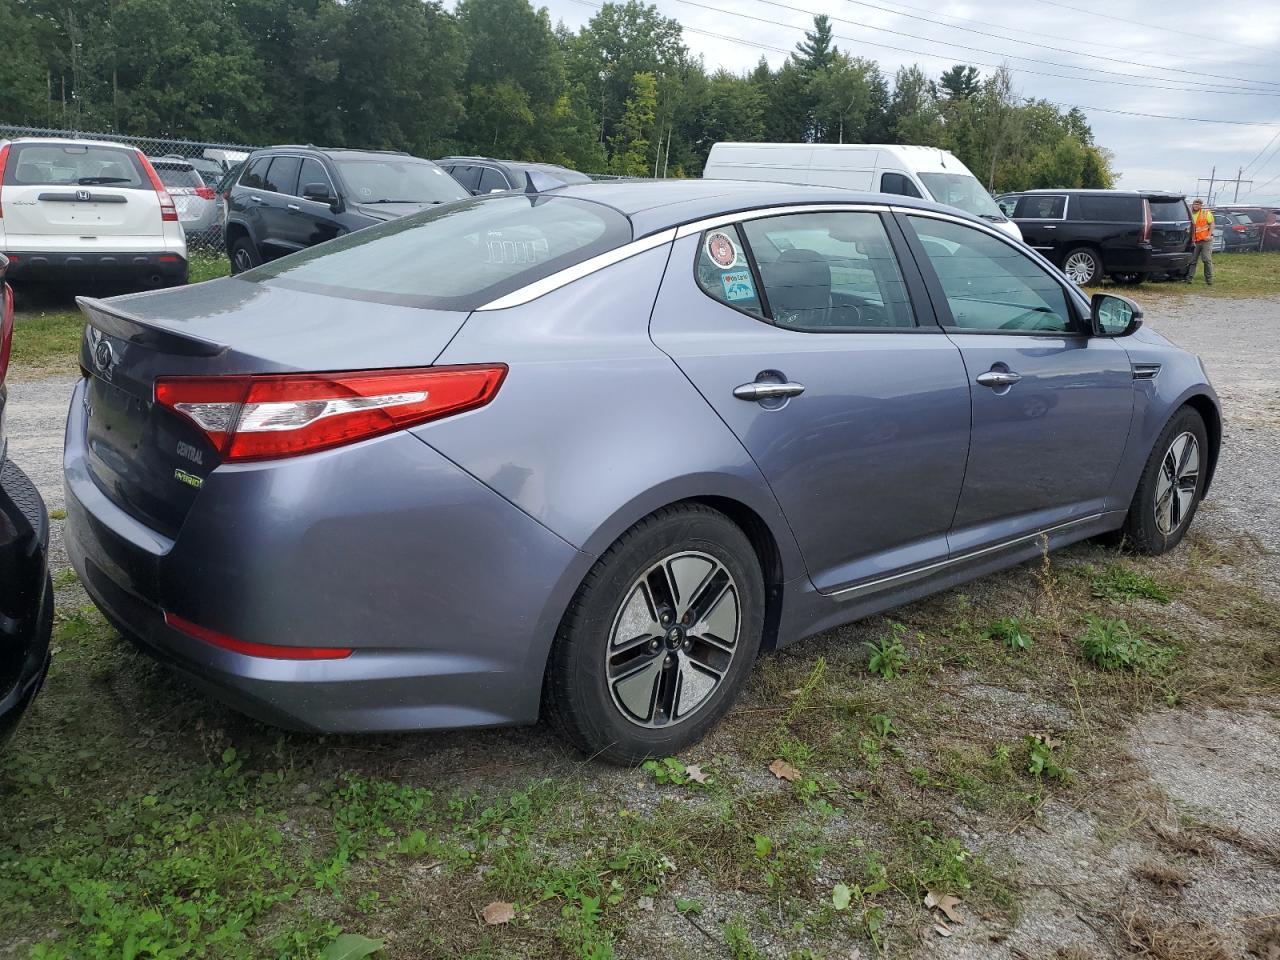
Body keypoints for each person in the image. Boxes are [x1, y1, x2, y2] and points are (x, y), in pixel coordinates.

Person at [1188, 198, 1214, 285]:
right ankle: (1189, 279)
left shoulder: (1206, 213)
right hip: (1195, 241)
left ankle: (1209, 280)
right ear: (1193, 204)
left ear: (1201, 206)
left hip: (1205, 240)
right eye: (1195, 204)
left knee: (1206, 260)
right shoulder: (1189, 213)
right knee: (1192, 260)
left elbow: (1212, 224)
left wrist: (1209, 235)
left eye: (1198, 204)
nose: (1196, 205)